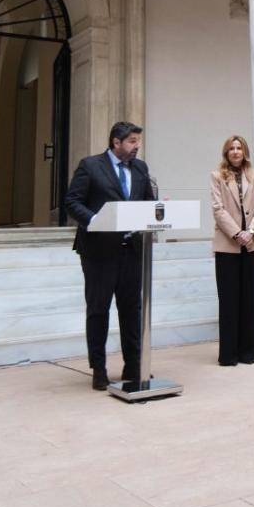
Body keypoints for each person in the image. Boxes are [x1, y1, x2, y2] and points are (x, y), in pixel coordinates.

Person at [65, 121, 156, 390]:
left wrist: (160, 210)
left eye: (138, 142)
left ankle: (133, 365)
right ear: (116, 142)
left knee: (132, 310)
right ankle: (99, 368)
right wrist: (95, 220)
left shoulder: (140, 168)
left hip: (132, 250)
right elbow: (72, 202)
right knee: (98, 310)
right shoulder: (90, 165)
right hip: (98, 252)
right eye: (131, 142)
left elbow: (148, 203)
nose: (136, 147)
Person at [209, 135, 254, 366]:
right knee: (229, 299)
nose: (235, 152)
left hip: (251, 243)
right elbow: (218, 209)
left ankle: (249, 352)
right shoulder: (217, 176)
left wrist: (250, 232)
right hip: (228, 244)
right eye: (231, 148)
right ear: (226, 152)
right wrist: (237, 233)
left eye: (239, 148)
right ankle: (229, 354)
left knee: (250, 298)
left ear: (245, 152)